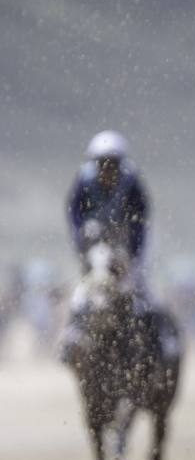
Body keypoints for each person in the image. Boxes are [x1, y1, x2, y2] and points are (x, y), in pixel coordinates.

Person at [59, 130, 152, 363]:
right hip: (96, 242)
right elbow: (74, 212)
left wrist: (134, 253)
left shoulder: (131, 181)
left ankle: (148, 339)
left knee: (135, 287)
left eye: (112, 163)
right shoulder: (85, 179)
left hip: (124, 242)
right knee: (85, 289)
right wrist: (82, 238)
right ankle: (72, 337)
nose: (107, 169)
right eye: (103, 163)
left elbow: (141, 219)